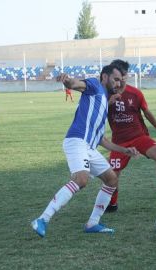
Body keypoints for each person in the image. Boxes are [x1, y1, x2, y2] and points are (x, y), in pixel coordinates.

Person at [31, 64, 139, 237]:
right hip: (76, 141)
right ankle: (42, 219)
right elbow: (76, 84)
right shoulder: (95, 86)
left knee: (112, 179)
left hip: (89, 147)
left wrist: (125, 150)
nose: (118, 84)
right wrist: (67, 81)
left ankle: (92, 223)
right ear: (104, 77)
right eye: (115, 79)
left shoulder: (103, 100)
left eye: (120, 80)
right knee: (81, 179)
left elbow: (102, 139)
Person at [105, 59, 156, 212]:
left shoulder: (135, 93)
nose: (121, 79)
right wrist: (108, 103)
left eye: (124, 75)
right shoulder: (105, 95)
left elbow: (147, 113)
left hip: (139, 137)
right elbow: (95, 114)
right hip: (119, 143)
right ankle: (112, 204)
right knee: (113, 175)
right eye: (118, 77)